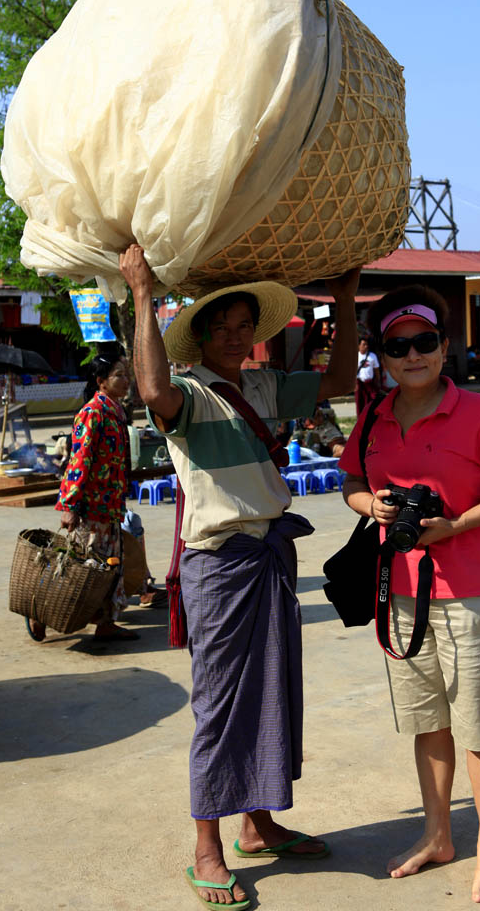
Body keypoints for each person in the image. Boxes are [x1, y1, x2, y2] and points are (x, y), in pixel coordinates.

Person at [119, 243, 360, 911]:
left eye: (243, 325)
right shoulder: (186, 394)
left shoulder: (263, 385)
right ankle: (207, 847)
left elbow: (338, 383)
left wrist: (342, 302)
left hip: (270, 559)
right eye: (220, 325)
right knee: (221, 707)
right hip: (220, 567)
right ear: (198, 335)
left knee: (274, 696)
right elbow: (150, 389)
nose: (233, 335)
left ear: (256, 332)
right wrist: (141, 292)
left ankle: (257, 824)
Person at [339, 284, 480, 904]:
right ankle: (437, 836)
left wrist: (453, 525)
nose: (412, 355)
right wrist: (377, 504)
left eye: (424, 342)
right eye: (398, 346)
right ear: (383, 355)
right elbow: (350, 486)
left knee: (477, 727)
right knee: (428, 724)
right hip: (400, 593)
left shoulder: (479, 414)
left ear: (444, 347)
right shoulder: (374, 417)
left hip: (470, 591)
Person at [28, 353, 140, 643]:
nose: (126, 380)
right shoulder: (93, 413)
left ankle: (106, 623)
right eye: (119, 375)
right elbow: (79, 461)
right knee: (78, 567)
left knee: (109, 567)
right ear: (100, 381)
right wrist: (69, 505)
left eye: (126, 374)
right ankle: (39, 612)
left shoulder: (116, 412)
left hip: (111, 506)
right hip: (89, 507)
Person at [355, 337, 381, 412]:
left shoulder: (372, 356)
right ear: (359, 346)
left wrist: (378, 381)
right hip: (359, 383)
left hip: (370, 383)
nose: (366, 346)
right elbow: (352, 371)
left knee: (371, 402)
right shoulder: (355, 356)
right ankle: (360, 420)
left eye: (366, 344)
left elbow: (376, 369)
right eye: (363, 344)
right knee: (360, 403)